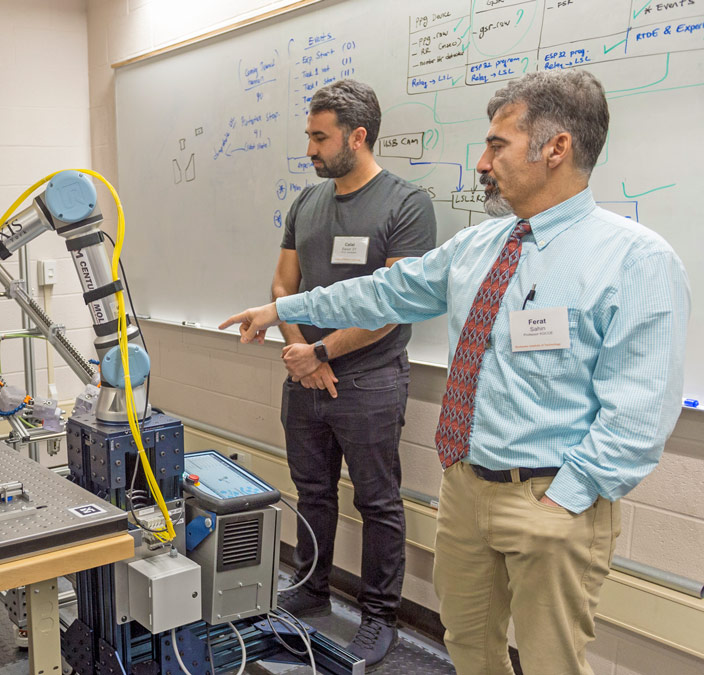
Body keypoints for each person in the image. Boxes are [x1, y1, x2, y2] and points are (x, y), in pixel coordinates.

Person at [221, 70, 689, 675]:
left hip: (552, 500)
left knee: (552, 663)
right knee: (468, 648)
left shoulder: (636, 259)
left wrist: (563, 503)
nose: (483, 162)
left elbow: (640, 413)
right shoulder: (481, 245)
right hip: (466, 492)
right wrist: (283, 309)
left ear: (556, 148)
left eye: (498, 145)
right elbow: (386, 291)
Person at [271, 79, 436, 668]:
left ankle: (378, 619)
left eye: (320, 137)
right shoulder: (306, 203)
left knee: (377, 502)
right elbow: (281, 287)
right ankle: (312, 588)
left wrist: (321, 354)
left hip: (368, 382)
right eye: (309, 136)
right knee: (311, 492)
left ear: (357, 136)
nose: (310, 149)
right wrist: (298, 352)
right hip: (304, 377)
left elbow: (392, 307)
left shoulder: (405, 203)